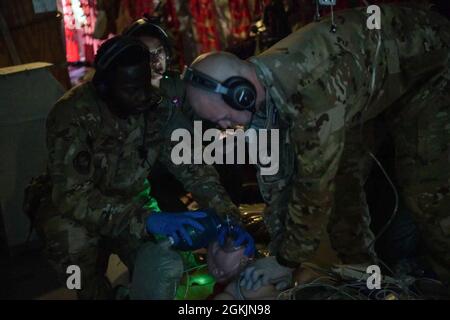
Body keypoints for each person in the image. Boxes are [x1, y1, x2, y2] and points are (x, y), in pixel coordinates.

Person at [182, 3, 450, 288]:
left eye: (224, 118)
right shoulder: (261, 95)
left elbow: (314, 189)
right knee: (344, 183)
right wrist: (279, 252)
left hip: (429, 67)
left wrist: (286, 261)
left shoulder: (309, 91)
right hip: (363, 81)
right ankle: (363, 277)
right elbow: (278, 181)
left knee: (425, 188)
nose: (225, 127)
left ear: (241, 94)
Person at [30, 35, 254, 300]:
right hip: (74, 214)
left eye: (144, 84)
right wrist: (148, 220)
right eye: (130, 88)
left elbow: (193, 168)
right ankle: (82, 289)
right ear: (104, 86)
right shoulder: (70, 114)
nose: (142, 95)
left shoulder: (156, 107)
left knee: (167, 264)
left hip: (133, 202)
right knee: (75, 264)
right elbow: (71, 196)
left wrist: (229, 218)